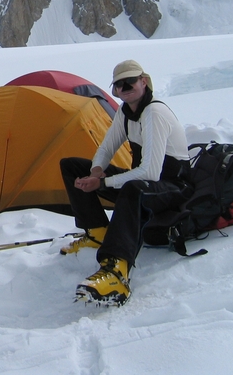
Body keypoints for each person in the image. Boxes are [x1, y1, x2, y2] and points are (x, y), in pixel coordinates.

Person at [59, 60, 190, 306]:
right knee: (72, 165)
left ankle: (117, 271)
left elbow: (150, 172)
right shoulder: (126, 111)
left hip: (174, 188)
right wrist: (96, 172)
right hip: (147, 184)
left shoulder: (154, 112)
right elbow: (108, 146)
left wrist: (103, 183)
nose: (125, 87)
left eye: (130, 81)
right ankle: (97, 232)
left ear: (144, 82)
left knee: (133, 188)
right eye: (119, 84)